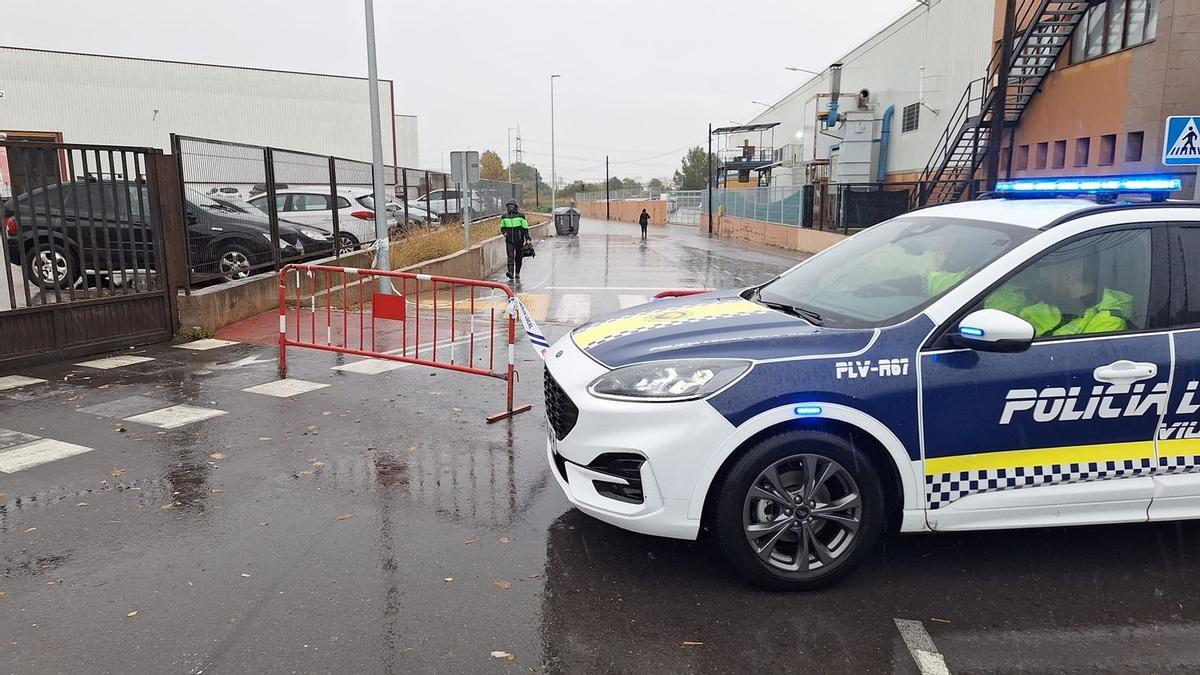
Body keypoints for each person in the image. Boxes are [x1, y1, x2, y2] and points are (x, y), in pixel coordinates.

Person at [983, 266, 1132, 337]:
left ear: (1068, 278)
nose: (1043, 280)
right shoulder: (1048, 303)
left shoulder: (1108, 320)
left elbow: (1078, 361)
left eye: (1049, 277)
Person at [500, 198, 529, 280]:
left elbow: (525, 228)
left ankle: (517, 272)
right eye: (509, 205)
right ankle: (510, 272)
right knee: (510, 256)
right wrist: (505, 233)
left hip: (519, 240)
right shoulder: (504, 216)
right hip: (509, 240)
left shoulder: (521, 215)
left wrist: (528, 238)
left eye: (512, 205)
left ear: (516, 206)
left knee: (518, 257)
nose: (511, 207)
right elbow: (502, 227)